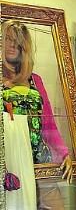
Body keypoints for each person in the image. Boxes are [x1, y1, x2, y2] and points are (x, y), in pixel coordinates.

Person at [1, 19, 69, 165]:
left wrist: (64, 154)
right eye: (8, 39)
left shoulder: (35, 81)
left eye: (18, 41)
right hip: (7, 162)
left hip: (37, 162)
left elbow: (49, 123)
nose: (13, 45)